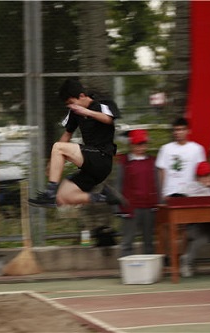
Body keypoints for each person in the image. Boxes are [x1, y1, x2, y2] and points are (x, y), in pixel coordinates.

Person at [28, 78, 123, 207]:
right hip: (91, 168)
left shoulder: (103, 103)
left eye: (72, 102)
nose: (71, 107)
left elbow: (109, 120)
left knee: (58, 147)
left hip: (102, 158)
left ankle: (49, 193)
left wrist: (87, 112)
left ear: (82, 96)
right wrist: (53, 160)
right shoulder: (75, 112)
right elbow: (67, 134)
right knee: (63, 197)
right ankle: (103, 196)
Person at [117, 129, 159, 257]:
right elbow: (118, 184)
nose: (141, 147)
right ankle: (127, 269)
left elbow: (157, 183)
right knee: (128, 240)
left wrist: (159, 203)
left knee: (149, 241)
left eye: (143, 144)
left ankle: (150, 270)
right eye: (137, 144)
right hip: (131, 207)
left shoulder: (152, 161)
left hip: (149, 206)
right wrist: (117, 206)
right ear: (131, 145)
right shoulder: (124, 162)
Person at [155, 117, 206, 199]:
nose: (178, 132)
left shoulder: (197, 149)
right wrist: (162, 193)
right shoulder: (165, 149)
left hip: (190, 193)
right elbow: (161, 172)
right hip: (170, 192)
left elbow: (201, 172)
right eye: (176, 130)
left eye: (181, 129)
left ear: (188, 130)